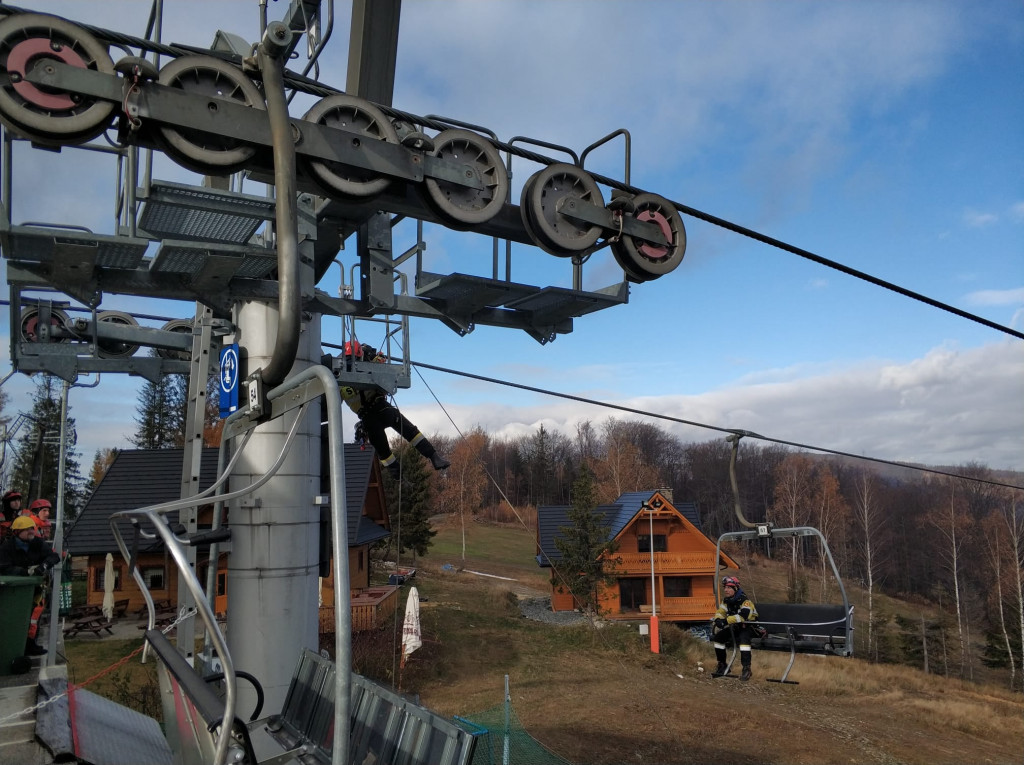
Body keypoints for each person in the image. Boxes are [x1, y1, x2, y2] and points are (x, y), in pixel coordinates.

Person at [340, 345, 450, 479]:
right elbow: (385, 377)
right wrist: (379, 359)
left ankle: (396, 473)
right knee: (410, 431)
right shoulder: (369, 366)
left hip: (368, 418)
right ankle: (434, 457)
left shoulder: (339, 379)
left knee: (383, 449)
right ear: (361, 355)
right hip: (381, 409)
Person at [0, 516, 62, 656]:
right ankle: (17, 644)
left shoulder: (38, 543)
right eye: (26, 529)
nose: (31, 531)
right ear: (17, 532)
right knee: (18, 617)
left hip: (36, 589)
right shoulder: (7, 547)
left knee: (34, 617)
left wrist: (42, 567)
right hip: (14, 591)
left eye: (31, 528)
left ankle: (30, 643)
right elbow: (3, 567)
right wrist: (23, 572)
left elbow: (54, 557)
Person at [711, 575, 759, 681]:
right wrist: (718, 619)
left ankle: (746, 669)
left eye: (728, 587)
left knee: (744, 642)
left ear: (735, 588)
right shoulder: (726, 601)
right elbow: (720, 612)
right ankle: (722, 665)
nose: (726, 590)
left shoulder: (745, 601)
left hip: (749, 627)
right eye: (725, 587)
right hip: (736, 627)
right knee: (718, 638)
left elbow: (743, 616)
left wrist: (725, 621)